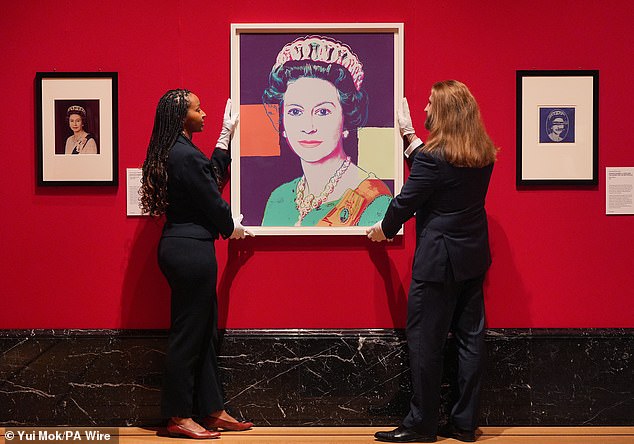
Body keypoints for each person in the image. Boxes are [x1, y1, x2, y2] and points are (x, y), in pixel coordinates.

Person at [368, 81, 498, 443]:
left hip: (438, 262)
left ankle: (421, 425)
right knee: (471, 340)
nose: (424, 109)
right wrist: (408, 134)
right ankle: (464, 424)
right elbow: (439, 176)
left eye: (429, 103)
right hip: (472, 257)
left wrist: (384, 229)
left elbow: (407, 200)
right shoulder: (482, 153)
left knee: (426, 342)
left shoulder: (433, 159)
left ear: (443, 112)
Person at [140, 89, 255, 440]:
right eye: (197, 108)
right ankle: (178, 416)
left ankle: (212, 409)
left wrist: (224, 139)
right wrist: (230, 225)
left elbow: (209, 178)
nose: (203, 113)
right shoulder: (184, 155)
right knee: (189, 335)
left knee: (203, 332)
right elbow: (211, 197)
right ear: (181, 115)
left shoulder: (179, 151)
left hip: (185, 247)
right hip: (190, 251)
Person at [261, 35, 392, 227]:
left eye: (322, 111)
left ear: (346, 119)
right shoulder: (278, 199)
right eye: (295, 111)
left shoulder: (374, 200)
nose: (308, 127)